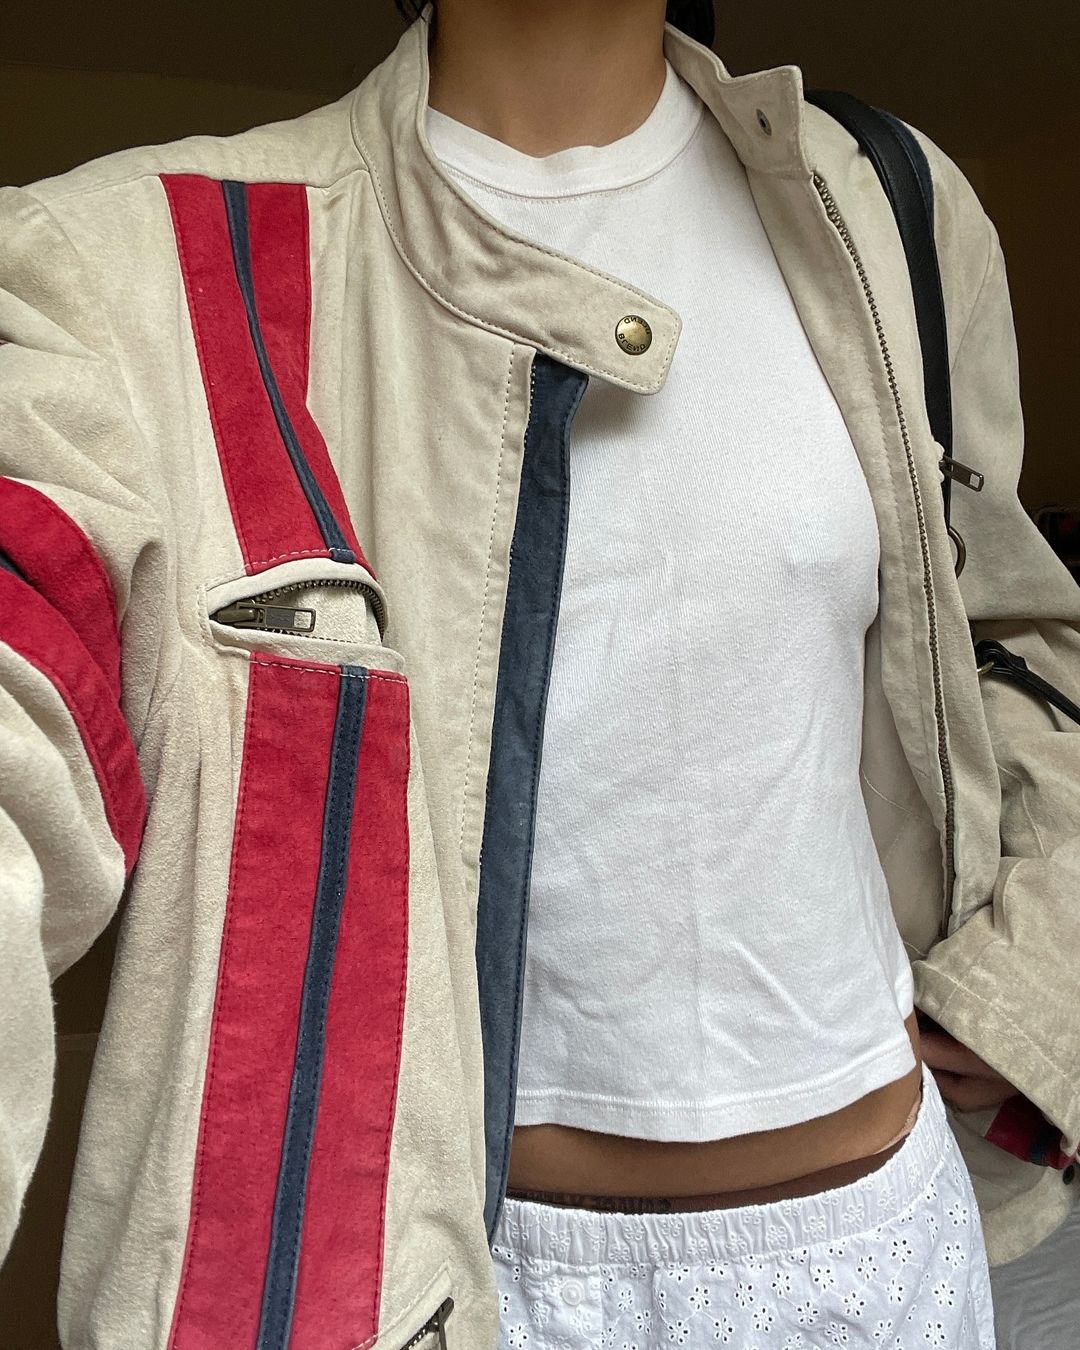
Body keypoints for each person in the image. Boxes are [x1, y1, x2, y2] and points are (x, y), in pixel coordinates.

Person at [0, 1, 1076, 1347]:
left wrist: (1038, 969)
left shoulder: (889, 207)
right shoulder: (136, 268)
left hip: (877, 1244)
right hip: (442, 1288)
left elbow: (1010, 634)